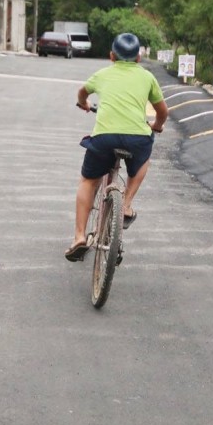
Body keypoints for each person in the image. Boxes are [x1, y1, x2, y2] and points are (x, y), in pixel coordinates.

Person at [66, 33, 169, 262]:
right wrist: (157, 126)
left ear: (111, 56)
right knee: (143, 160)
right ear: (139, 58)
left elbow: (82, 93)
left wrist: (84, 104)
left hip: (105, 138)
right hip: (137, 138)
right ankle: (127, 203)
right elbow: (162, 112)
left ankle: (79, 237)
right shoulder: (147, 77)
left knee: (88, 181)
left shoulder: (102, 74)